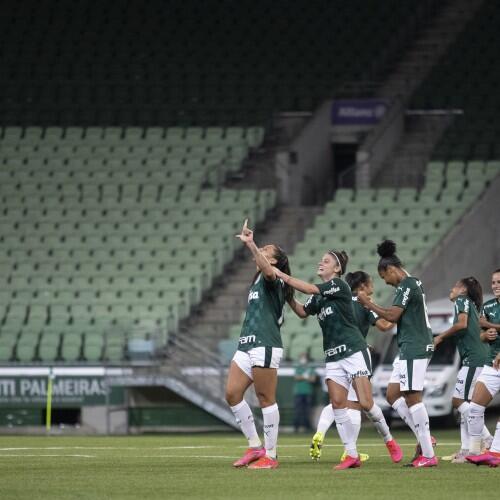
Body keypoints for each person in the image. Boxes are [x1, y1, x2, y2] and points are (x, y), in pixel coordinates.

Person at [273, 250, 402, 470]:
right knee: (338, 404)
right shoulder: (318, 296)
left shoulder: (339, 286)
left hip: (354, 350)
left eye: (326, 261)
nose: (320, 262)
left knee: (366, 404)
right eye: (320, 259)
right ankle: (351, 455)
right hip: (333, 356)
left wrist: (282, 276)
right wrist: (288, 296)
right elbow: (303, 312)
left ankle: (389, 440)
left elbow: (311, 288)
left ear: (337, 269)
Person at [357, 240, 438, 468]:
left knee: (413, 397)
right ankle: (425, 438)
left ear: (390, 269)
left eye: (384, 277)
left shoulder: (407, 284)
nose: (386, 282)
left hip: (415, 344)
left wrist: (368, 304)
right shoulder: (411, 282)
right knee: (393, 395)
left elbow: (392, 317)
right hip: (408, 345)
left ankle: (428, 454)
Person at [225, 219, 293, 470]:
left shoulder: (273, 277)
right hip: (246, 345)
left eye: (267, 252)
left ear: (274, 261)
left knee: (266, 398)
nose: (261, 252)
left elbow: (266, 270)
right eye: (261, 249)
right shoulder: (258, 280)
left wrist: (252, 245)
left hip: (265, 344)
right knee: (232, 394)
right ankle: (255, 446)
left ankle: (271, 455)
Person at [309, 270, 394, 463]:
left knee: (338, 402)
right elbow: (384, 325)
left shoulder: (338, 301)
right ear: (362, 286)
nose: (373, 286)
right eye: (371, 282)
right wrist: (400, 315)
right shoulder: (363, 303)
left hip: (334, 356)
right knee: (356, 405)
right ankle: (350, 451)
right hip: (355, 356)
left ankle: (320, 432)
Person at [433, 277, 492, 463]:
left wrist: (440, 337)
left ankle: (488, 440)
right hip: (476, 358)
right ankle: (466, 449)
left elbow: (461, 324)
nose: (452, 288)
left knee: (459, 401)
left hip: (474, 360)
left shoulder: (462, 301)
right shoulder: (471, 305)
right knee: (465, 403)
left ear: (464, 290)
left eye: (456, 286)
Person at [466, 268, 500, 465]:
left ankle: (496, 453)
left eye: (499, 282)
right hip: (491, 364)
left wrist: (490, 325)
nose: (496, 286)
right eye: (494, 282)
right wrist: (485, 335)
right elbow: (481, 334)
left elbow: (487, 324)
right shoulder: (487, 307)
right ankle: (475, 449)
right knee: (474, 407)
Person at [293, 352, 316, 432]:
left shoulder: (310, 368)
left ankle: (307, 427)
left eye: (304, 357)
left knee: (308, 410)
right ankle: (296, 427)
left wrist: (302, 377)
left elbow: (313, 379)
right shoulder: (298, 367)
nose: (303, 359)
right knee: (298, 410)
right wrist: (305, 377)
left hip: (308, 392)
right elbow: (296, 377)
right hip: (298, 392)